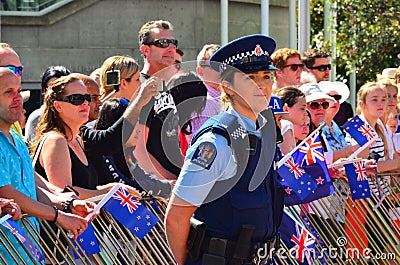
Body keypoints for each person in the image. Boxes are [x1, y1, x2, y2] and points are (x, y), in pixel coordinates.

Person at [165, 34, 284, 265]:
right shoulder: (217, 142)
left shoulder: (263, 133)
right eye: (249, 77)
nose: (261, 84)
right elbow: (177, 217)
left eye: (266, 76)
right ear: (227, 87)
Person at [0, 68, 91, 264]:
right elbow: (8, 192)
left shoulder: (16, 137)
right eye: (8, 92)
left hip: (28, 250)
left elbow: (34, 183)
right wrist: (58, 216)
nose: (17, 98)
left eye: (18, 91)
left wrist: (67, 203)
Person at [135, 20, 181, 179]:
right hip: (160, 187)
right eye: (162, 43)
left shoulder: (166, 86)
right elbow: (138, 149)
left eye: (173, 43)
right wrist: (169, 182)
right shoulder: (140, 88)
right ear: (145, 49)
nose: (170, 49)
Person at [25, 65, 71, 144]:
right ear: (44, 90)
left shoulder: (75, 112)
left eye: (62, 88)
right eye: (53, 88)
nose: (58, 93)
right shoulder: (37, 117)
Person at [190, 44, 222, 141]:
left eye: (223, 64)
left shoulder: (227, 95)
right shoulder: (204, 102)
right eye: (215, 65)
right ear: (200, 71)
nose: (221, 69)